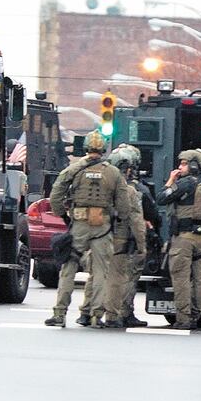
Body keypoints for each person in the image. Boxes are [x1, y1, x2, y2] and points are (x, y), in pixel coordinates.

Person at [44, 130, 130, 328]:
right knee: (101, 272)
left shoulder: (74, 169)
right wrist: (118, 221)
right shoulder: (113, 173)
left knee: (69, 268)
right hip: (103, 226)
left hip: (79, 224)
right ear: (103, 149)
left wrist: (63, 215)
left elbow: (56, 192)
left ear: (86, 147)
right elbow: (124, 205)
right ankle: (96, 315)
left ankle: (59, 313)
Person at [156, 149, 201, 331]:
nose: (179, 167)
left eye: (183, 164)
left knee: (181, 279)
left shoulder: (185, 184)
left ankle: (184, 319)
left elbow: (161, 198)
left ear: (192, 165)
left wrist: (170, 180)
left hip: (184, 238)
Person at [104, 146, 148, 328]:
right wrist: (141, 245)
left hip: (100, 238)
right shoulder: (132, 190)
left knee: (98, 277)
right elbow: (138, 220)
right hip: (122, 240)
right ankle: (119, 313)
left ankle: (90, 313)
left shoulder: (102, 184)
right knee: (121, 278)